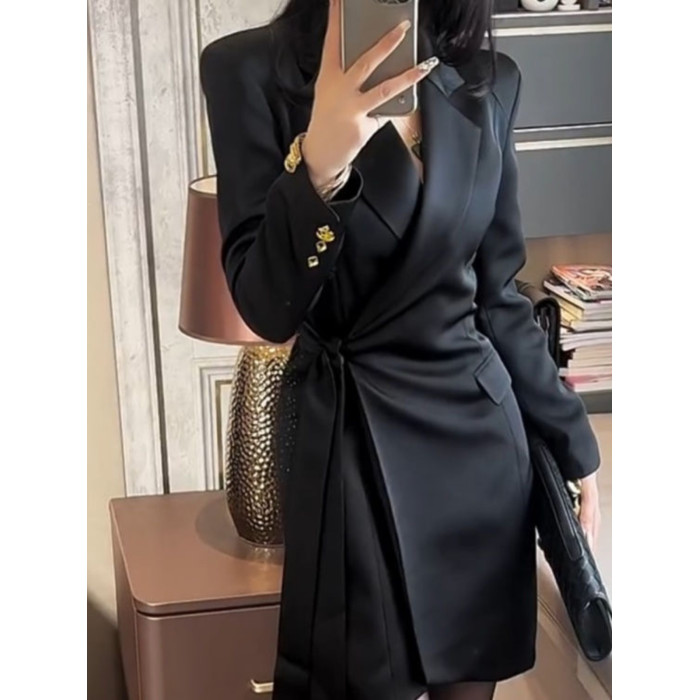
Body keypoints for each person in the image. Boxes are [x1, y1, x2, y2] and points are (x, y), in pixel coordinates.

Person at [199, 1, 602, 699]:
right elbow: (265, 306)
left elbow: (497, 294)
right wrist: (320, 165)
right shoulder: (247, 71)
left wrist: (574, 444)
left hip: (479, 457)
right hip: (352, 451)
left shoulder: (489, 79)